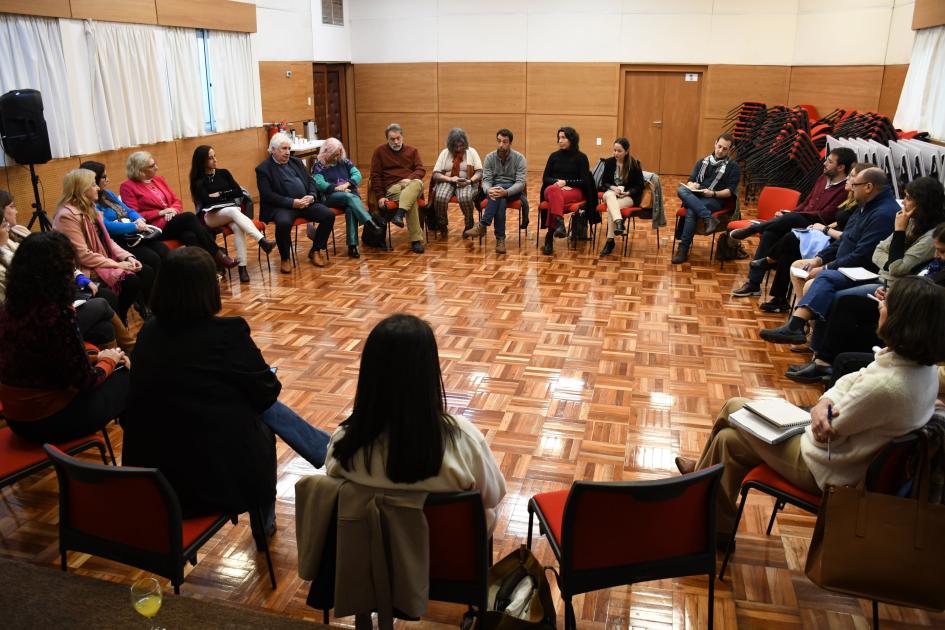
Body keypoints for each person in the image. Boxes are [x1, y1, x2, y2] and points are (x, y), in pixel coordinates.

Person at [676, 275, 945, 546]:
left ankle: (698, 484)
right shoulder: (922, 370)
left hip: (826, 468)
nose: (880, 306)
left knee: (733, 406)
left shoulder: (887, 386)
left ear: (903, 319)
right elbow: (851, 381)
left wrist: (822, 407)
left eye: (888, 303)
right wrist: (824, 403)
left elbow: (824, 432)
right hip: (842, 458)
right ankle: (716, 528)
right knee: (729, 442)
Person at [121, 247, 331, 548]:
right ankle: (270, 516)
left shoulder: (148, 333)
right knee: (260, 415)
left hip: (154, 480)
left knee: (248, 402)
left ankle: (324, 450)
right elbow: (268, 391)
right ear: (209, 288)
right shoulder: (227, 334)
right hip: (213, 480)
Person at [326, 314, 506, 530]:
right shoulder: (463, 440)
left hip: (370, 557)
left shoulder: (342, 446)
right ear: (429, 373)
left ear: (368, 374)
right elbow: (494, 495)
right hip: (448, 559)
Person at [786, 180, 945, 383]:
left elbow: (898, 268)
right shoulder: (911, 221)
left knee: (842, 300)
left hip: (895, 287)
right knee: (827, 285)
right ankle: (813, 350)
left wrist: (898, 232)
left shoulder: (928, 233)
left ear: (922, 202)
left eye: (908, 198)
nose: (903, 202)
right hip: (885, 280)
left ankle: (819, 357)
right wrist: (892, 262)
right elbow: (878, 252)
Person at [0, 232, 130, 444]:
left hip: (17, 417)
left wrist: (98, 358)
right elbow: (86, 381)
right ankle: (137, 459)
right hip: (47, 420)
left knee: (105, 337)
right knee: (127, 375)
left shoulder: (9, 308)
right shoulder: (55, 314)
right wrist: (109, 360)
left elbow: (50, 362)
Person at [760, 167, 899, 345]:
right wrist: (819, 259)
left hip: (862, 270)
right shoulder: (866, 205)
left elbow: (862, 256)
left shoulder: (882, 214)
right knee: (799, 265)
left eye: (855, 184)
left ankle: (804, 331)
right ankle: (803, 329)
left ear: (869, 187)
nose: (851, 188)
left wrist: (825, 267)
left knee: (814, 281)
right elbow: (845, 240)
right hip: (845, 262)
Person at [730, 147, 856, 297]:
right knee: (771, 232)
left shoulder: (845, 189)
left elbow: (825, 215)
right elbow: (807, 201)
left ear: (841, 167)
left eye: (829, 162)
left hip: (817, 228)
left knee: (792, 218)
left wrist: (792, 215)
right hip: (802, 220)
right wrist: (788, 214)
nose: (825, 163)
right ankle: (753, 284)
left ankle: (754, 229)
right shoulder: (823, 178)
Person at [753, 162, 868, 314]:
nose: (848, 179)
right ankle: (779, 298)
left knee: (790, 239)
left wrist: (825, 229)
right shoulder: (850, 199)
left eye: (852, 176)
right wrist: (822, 227)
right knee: (785, 242)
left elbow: (848, 236)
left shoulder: (859, 205)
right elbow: (839, 221)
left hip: (835, 245)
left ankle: (768, 257)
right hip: (829, 235)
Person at [53, 169, 155, 323]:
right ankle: (120, 320)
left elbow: (107, 241)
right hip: (85, 268)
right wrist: (118, 264)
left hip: (102, 258)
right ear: (82, 189)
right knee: (131, 281)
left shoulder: (90, 209)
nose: (98, 188)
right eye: (93, 184)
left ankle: (129, 315)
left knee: (145, 270)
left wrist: (127, 257)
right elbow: (83, 255)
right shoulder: (67, 216)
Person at [119, 151, 236, 272]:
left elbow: (176, 200)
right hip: (155, 228)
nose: (156, 168)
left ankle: (203, 270)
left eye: (155, 164)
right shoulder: (128, 187)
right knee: (189, 217)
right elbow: (134, 214)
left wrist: (173, 210)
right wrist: (161, 213)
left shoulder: (158, 180)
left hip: (173, 222)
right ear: (140, 169)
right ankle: (218, 255)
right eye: (152, 166)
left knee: (190, 236)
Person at [188, 145, 276, 283]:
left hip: (230, 212)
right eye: (210, 158)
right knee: (233, 211)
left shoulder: (223, 173)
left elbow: (238, 192)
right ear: (201, 161)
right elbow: (206, 200)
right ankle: (261, 241)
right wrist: (225, 195)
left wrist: (220, 194)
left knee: (238, 227)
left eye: (215, 156)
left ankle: (242, 267)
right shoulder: (198, 181)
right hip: (211, 216)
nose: (215, 160)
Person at [256, 133, 336, 273]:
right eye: (284, 149)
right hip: (282, 206)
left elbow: (311, 180)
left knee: (328, 215)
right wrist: (292, 202)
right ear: (273, 150)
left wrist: (311, 196)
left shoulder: (296, 162)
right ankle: (285, 258)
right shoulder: (264, 169)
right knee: (283, 223)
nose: (287, 152)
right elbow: (268, 195)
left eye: (289, 148)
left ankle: (315, 250)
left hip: (305, 202)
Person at [79, 161, 168, 279]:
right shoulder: (91, 202)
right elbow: (106, 226)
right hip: (120, 240)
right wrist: (134, 226)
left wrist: (139, 219)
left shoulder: (108, 194)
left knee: (163, 250)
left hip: (134, 235)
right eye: (104, 177)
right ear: (93, 179)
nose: (108, 180)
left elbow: (129, 210)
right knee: (152, 259)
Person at [672, 133, 741, 264]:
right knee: (681, 190)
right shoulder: (702, 162)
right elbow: (690, 181)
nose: (720, 151)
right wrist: (692, 184)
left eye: (724, 149)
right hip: (697, 195)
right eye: (719, 146)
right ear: (715, 143)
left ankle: (683, 250)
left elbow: (730, 192)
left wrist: (713, 194)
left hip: (714, 199)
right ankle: (708, 218)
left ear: (730, 150)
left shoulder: (733, 167)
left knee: (692, 210)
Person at [312, 138, 380, 259]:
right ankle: (369, 222)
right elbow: (319, 183)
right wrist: (337, 188)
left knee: (350, 208)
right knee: (350, 197)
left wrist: (347, 184)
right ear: (327, 152)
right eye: (334, 154)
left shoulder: (344, 161)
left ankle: (352, 246)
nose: (337, 156)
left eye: (339, 153)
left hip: (349, 193)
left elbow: (357, 175)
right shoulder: (318, 166)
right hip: (330, 196)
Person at [464, 128, 528, 254]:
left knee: (500, 192)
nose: (501, 145)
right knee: (500, 198)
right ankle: (500, 240)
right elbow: (486, 180)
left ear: (510, 143)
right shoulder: (489, 157)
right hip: (495, 191)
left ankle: (483, 225)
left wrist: (506, 192)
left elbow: (520, 183)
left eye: (504, 142)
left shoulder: (519, 158)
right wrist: (488, 190)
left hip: (512, 191)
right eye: (499, 141)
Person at [539, 126, 597, 256]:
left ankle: (550, 237)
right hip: (553, 188)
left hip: (574, 190)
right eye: (559, 138)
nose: (560, 140)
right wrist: (558, 184)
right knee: (554, 191)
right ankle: (559, 223)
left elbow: (584, 181)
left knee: (555, 201)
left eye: (563, 137)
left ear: (572, 139)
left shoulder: (581, 157)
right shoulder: (553, 156)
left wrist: (566, 182)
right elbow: (545, 178)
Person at [370, 123, 427, 254]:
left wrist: (409, 178)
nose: (396, 142)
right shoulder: (379, 151)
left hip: (410, 184)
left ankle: (400, 214)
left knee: (417, 182)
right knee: (411, 199)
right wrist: (380, 196)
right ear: (387, 139)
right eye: (392, 139)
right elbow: (375, 176)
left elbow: (421, 169)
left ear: (402, 137)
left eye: (398, 138)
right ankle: (416, 241)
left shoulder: (412, 151)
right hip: (392, 189)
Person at [430, 128, 483, 238]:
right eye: (456, 146)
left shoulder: (472, 152)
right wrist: (450, 179)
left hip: (466, 182)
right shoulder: (445, 153)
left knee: (465, 197)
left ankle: (469, 225)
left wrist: (469, 181)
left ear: (465, 143)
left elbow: (479, 172)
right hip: (447, 181)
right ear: (450, 145)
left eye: (461, 146)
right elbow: (435, 174)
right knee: (440, 197)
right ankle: (442, 224)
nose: (459, 149)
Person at [597, 137, 645, 257]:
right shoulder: (608, 162)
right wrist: (613, 188)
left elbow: (639, 186)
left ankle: (610, 241)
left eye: (619, 151)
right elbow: (603, 184)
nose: (616, 153)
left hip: (628, 196)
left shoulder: (634, 164)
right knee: (609, 194)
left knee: (610, 209)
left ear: (627, 151)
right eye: (614, 150)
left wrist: (627, 193)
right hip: (612, 193)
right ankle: (618, 223)